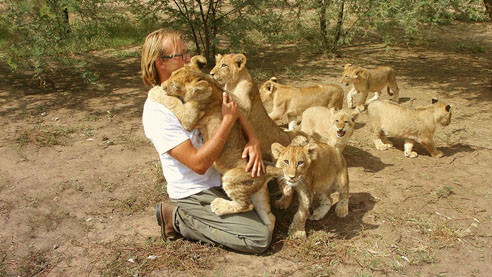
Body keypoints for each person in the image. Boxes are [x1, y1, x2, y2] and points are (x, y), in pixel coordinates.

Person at [141, 29, 272, 254]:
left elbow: (233, 105)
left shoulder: (196, 80)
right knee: (258, 238)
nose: (186, 59)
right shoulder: (157, 110)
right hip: (194, 189)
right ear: (160, 63)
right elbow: (199, 165)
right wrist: (227, 122)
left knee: (274, 181)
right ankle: (176, 217)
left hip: (222, 173)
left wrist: (253, 141)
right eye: (179, 55)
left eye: (186, 52)